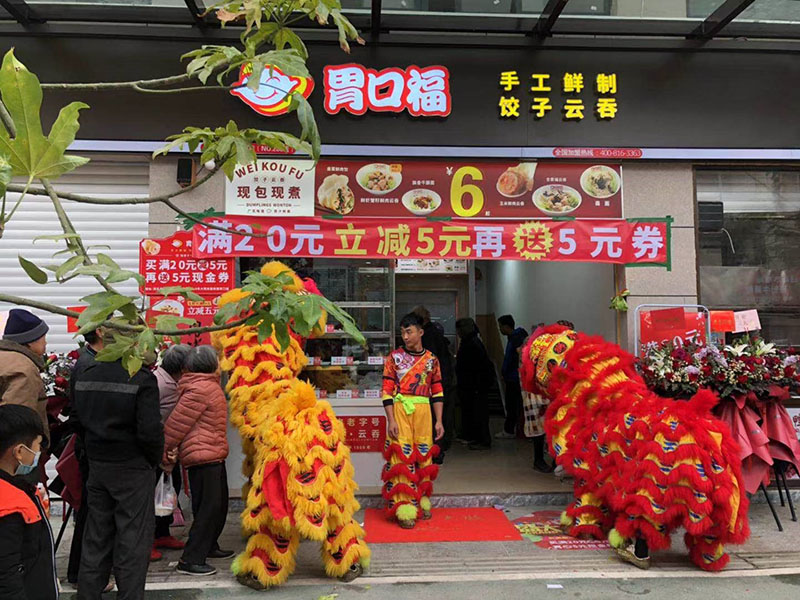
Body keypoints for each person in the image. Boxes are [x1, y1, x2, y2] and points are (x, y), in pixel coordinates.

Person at [72, 330, 163, 600]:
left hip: (98, 464)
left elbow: (75, 419)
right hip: (132, 466)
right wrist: (152, 459)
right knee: (133, 542)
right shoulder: (141, 378)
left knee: (95, 537)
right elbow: (150, 431)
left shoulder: (85, 372)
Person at [163, 345, 232, 577]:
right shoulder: (200, 388)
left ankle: (210, 545)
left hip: (212, 454)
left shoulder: (206, 385)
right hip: (203, 457)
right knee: (208, 509)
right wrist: (165, 451)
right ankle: (191, 559)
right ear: (210, 365)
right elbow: (175, 425)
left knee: (218, 505)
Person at [381, 313, 444, 530]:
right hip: (400, 409)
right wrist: (391, 420)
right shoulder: (394, 358)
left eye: (409, 332)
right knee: (402, 457)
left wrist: (439, 421)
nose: (405, 336)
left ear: (420, 332)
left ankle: (423, 501)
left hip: (424, 410)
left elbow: (437, 390)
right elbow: (387, 390)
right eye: (402, 332)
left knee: (425, 456)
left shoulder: (432, 360)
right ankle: (404, 509)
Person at [0, 404, 57, 600]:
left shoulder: (17, 489)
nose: (39, 451)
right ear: (19, 452)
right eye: (37, 444)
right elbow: (7, 574)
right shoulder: (9, 504)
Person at [153, 344, 191, 554]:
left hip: (171, 448)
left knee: (169, 490)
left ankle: (162, 533)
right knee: (154, 493)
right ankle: (149, 538)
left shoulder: (172, 381)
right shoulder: (159, 384)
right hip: (158, 449)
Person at [0, 309, 50, 461]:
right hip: (13, 455)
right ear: (30, 340)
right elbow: (18, 420)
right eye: (43, 338)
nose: (46, 342)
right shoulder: (23, 369)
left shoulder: (5, 359)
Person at [412, 306, 455, 464]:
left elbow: (428, 361)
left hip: (435, 383)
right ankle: (437, 450)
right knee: (439, 417)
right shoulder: (435, 333)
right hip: (442, 381)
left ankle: (436, 452)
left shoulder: (428, 335)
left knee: (434, 418)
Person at [455, 318, 494, 451]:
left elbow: (473, 367)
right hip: (476, 385)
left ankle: (482, 440)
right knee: (477, 413)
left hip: (475, 386)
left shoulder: (471, 344)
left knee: (478, 414)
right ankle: (477, 437)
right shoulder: (475, 341)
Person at [496, 315, 528, 439]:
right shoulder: (514, 338)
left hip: (514, 379)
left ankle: (509, 430)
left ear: (506, 326)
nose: (499, 329)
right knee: (515, 405)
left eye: (500, 326)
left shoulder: (515, 339)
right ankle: (516, 430)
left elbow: (512, 359)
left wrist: (507, 372)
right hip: (513, 377)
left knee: (512, 405)